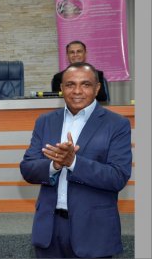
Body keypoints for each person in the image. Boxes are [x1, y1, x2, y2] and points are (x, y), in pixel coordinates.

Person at [20, 62, 132, 258]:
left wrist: (73, 162)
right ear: (61, 89)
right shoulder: (45, 121)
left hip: (94, 232)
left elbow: (117, 176)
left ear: (97, 88)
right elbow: (28, 168)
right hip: (50, 231)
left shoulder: (117, 124)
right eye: (70, 84)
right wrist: (54, 165)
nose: (77, 91)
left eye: (86, 84)